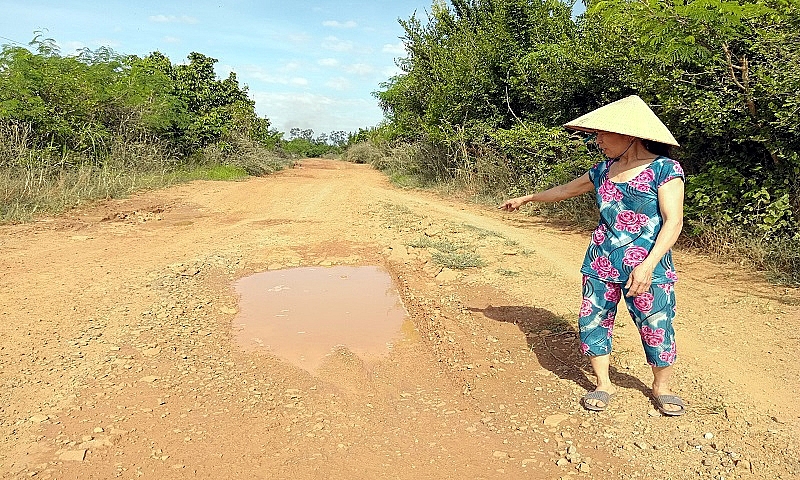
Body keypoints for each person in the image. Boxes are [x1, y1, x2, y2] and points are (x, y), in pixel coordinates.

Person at [500, 95, 686, 416]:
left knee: (656, 325)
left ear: (629, 135)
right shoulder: (603, 170)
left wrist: (648, 265)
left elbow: (674, 221)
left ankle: (661, 387)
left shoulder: (664, 169)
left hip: (648, 267)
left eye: (603, 134)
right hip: (600, 262)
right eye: (596, 134)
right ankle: (603, 383)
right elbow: (565, 190)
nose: (597, 140)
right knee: (593, 321)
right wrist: (528, 197)